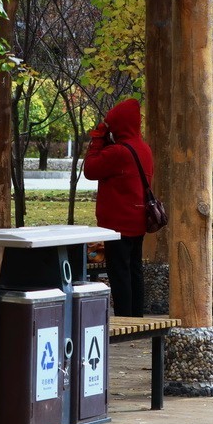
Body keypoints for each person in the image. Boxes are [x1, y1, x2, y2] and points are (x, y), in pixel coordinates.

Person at [84, 98, 155, 317]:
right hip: (138, 219)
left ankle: (124, 318)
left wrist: (97, 139)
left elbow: (90, 169)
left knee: (120, 272)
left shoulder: (119, 152)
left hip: (118, 224)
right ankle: (137, 317)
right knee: (134, 269)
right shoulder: (144, 148)